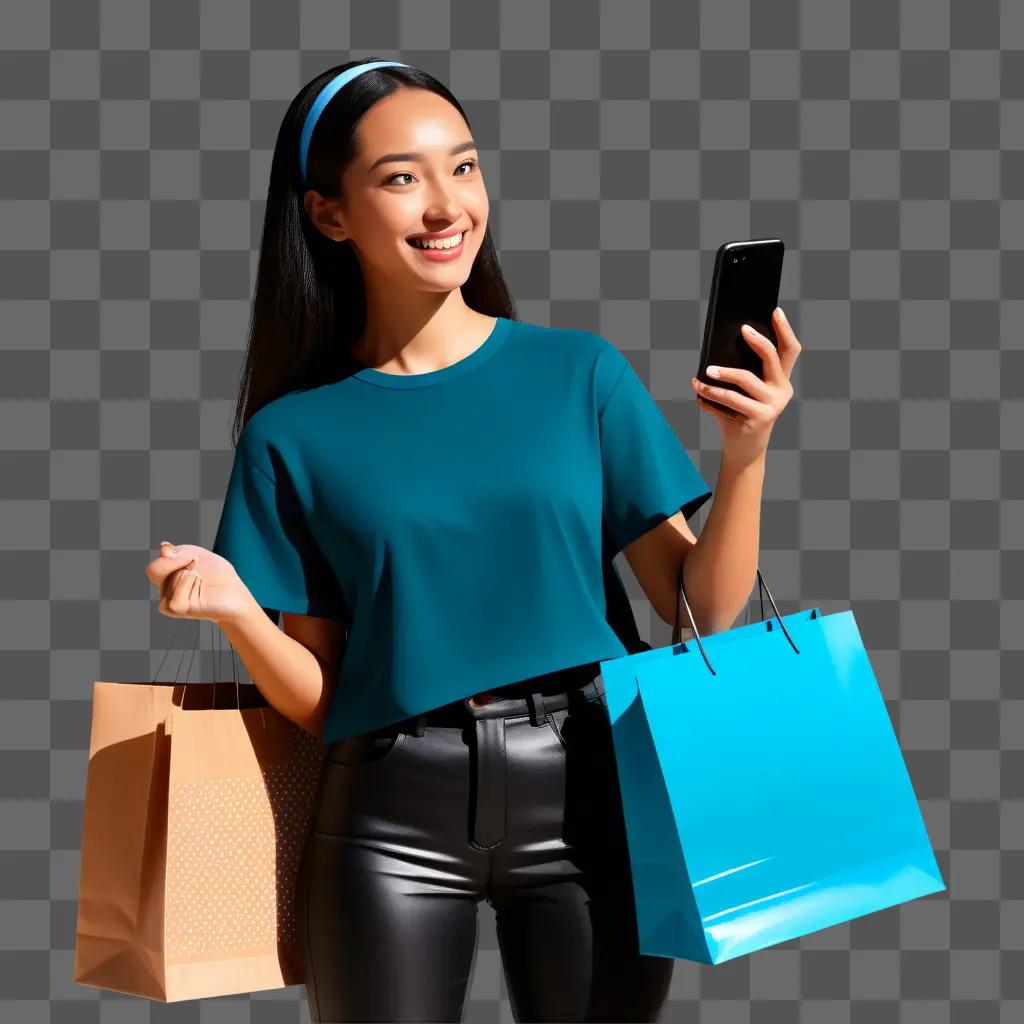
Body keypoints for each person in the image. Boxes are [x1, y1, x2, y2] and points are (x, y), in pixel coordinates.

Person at [145, 58, 800, 1023]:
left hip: (593, 792)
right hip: (387, 816)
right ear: (329, 215)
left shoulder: (577, 374)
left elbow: (700, 609)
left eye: (464, 167)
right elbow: (326, 705)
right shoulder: (294, 435)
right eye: (402, 177)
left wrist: (746, 453)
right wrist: (242, 613)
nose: (446, 205)